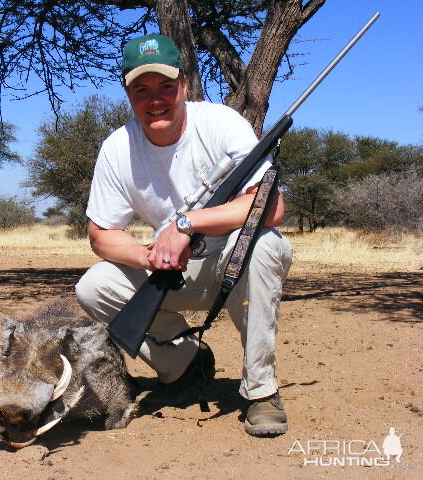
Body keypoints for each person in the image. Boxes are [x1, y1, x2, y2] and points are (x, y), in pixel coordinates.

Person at [75, 33, 293, 436]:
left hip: (234, 262)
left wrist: (185, 224)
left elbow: (272, 207)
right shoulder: (117, 146)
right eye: (142, 89)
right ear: (128, 94)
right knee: (93, 286)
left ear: (185, 86)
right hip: (173, 273)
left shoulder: (221, 122)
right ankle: (184, 366)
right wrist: (148, 256)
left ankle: (261, 392)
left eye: (165, 87)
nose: (155, 99)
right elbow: (101, 234)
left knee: (265, 245)